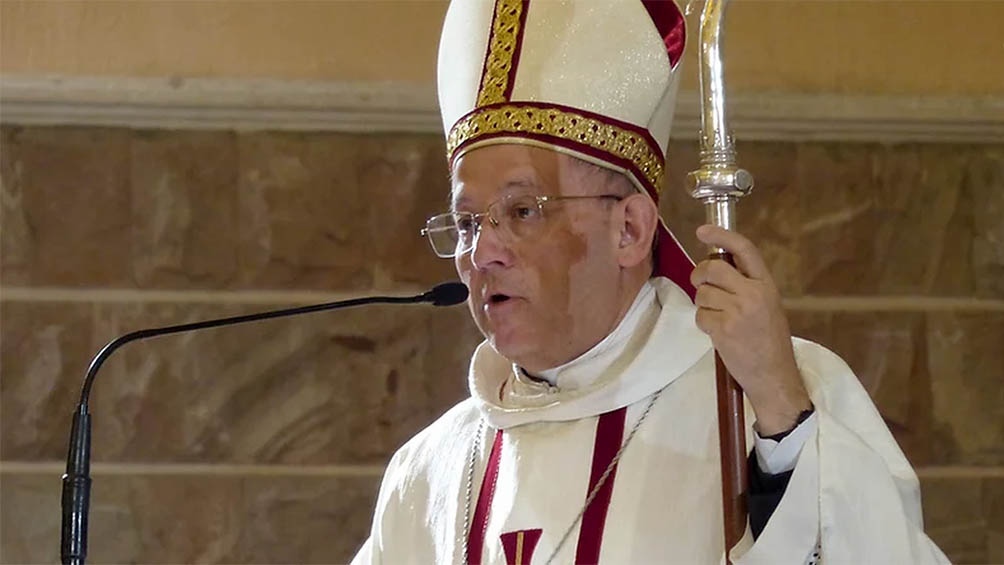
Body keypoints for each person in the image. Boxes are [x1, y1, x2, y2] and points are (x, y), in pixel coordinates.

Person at [353, 1, 949, 563]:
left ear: (630, 229)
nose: (482, 251)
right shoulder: (429, 470)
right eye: (465, 222)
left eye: (523, 211)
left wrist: (783, 420)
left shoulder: (767, 398)